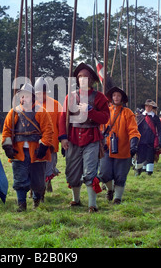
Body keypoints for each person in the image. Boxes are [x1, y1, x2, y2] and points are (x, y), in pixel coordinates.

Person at [59, 63, 110, 213]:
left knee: (90, 172)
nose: (82, 79)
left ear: (92, 80)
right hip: (73, 138)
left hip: (92, 139)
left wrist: (91, 111)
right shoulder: (70, 96)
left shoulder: (99, 97)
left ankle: (92, 205)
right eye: (80, 77)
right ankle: (76, 199)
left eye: (85, 77)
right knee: (72, 172)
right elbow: (63, 118)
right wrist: (63, 138)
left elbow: (105, 118)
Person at [2, 83, 54, 212]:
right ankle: (21, 204)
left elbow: (48, 130)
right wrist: (8, 146)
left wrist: (43, 145)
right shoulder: (13, 112)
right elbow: (7, 131)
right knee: (20, 179)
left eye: (26, 96)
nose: (24, 98)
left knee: (38, 181)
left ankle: (36, 201)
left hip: (36, 151)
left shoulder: (41, 111)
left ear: (32, 97)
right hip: (18, 151)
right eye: (22, 96)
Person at [99, 86, 140, 204]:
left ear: (122, 98)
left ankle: (117, 198)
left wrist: (133, 145)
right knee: (104, 173)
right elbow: (101, 128)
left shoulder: (128, 113)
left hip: (123, 150)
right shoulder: (106, 111)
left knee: (120, 176)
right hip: (107, 148)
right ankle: (110, 190)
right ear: (111, 98)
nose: (116, 97)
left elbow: (133, 130)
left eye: (118, 95)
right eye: (114, 95)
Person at [34, 77, 62, 194]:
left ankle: (45, 186)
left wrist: (63, 138)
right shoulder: (31, 105)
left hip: (51, 143)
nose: (41, 95)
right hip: (35, 143)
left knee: (49, 167)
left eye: (43, 93)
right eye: (39, 93)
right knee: (36, 168)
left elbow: (60, 124)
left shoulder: (56, 105)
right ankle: (38, 189)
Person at [135, 99, 161, 176]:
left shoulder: (155, 118)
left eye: (149, 106)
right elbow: (135, 129)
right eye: (146, 106)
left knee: (150, 157)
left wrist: (160, 141)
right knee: (140, 157)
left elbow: (160, 130)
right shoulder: (139, 116)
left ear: (152, 107)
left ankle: (149, 173)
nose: (148, 107)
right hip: (141, 141)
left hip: (151, 141)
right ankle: (138, 171)